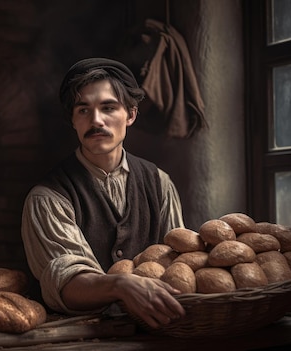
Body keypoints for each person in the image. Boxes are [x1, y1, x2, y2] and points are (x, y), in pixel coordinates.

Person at [21, 57, 186, 328]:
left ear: (131, 115)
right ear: (72, 120)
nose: (96, 120)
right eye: (83, 110)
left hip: (157, 333)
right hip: (81, 340)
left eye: (108, 107)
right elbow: (66, 282)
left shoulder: (160, 182)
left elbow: (179, 263)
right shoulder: (47, 198)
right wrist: (119, 285)